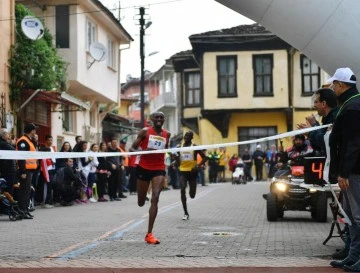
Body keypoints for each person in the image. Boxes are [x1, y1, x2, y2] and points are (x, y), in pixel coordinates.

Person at [327, 68, 360, 271]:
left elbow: (354, 143)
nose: (332, 88)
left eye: (334, 84)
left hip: (354, 171)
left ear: (341, 85)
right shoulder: (349, 105)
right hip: (351, 170)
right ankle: (354, 255)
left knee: (357, 215)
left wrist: (344, 172)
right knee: (349, 215)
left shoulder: (353, 107)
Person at [130, 111, 171, 244]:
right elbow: (131, 149)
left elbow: (166, 150)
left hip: (159, 168)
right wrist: (143, 152)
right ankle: (142, 198)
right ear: (152, 119)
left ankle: (149, 234)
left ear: (164, 120)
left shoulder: (167, 134)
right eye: (156, 117)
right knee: (141, 202)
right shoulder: (145, 132)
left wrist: (173, 157)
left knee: (155, 198)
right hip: (143, 167)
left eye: (161, 117)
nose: (159, 119)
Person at [175, 131, 207, 220]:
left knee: (192, 195)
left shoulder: (195, 146)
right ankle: (185, 213)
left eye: (188, 136)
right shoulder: (179, 147)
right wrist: (175, 162)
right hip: (183, 171)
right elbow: (177, 160)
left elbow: (205, 157)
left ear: (192, 138)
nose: (186, 137)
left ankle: (191, 193)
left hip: (193, 172)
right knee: (182, 189)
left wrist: (198, 165)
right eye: (185, 135)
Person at [297, 87, 338, 156]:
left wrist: (312, 129)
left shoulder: (335, 118)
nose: (314, 105)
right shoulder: (328, 118)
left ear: (323, 104)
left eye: (316, 102)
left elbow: (325, 141)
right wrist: (311, 130)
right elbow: (320, 145)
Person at [16, 123, 38, 219]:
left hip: (30, 169)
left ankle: (25, 210)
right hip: (25, 170)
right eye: (34, 130)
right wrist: (23, 171)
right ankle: (22, 211)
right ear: (32, 131)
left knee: (27, 191)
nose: (35, 132)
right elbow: (21, 157)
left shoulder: (29, 141)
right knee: (24, 191)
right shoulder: (23, 141)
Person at [0, 129, 17, 197]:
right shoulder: (3, 143)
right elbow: (13, 150)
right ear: (3, 135)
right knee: (9, 188)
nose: (9, 136)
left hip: (6, 169)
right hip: (7, 170)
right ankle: (8, 205)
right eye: (8, 134)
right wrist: (12, 143)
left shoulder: (5, 143)